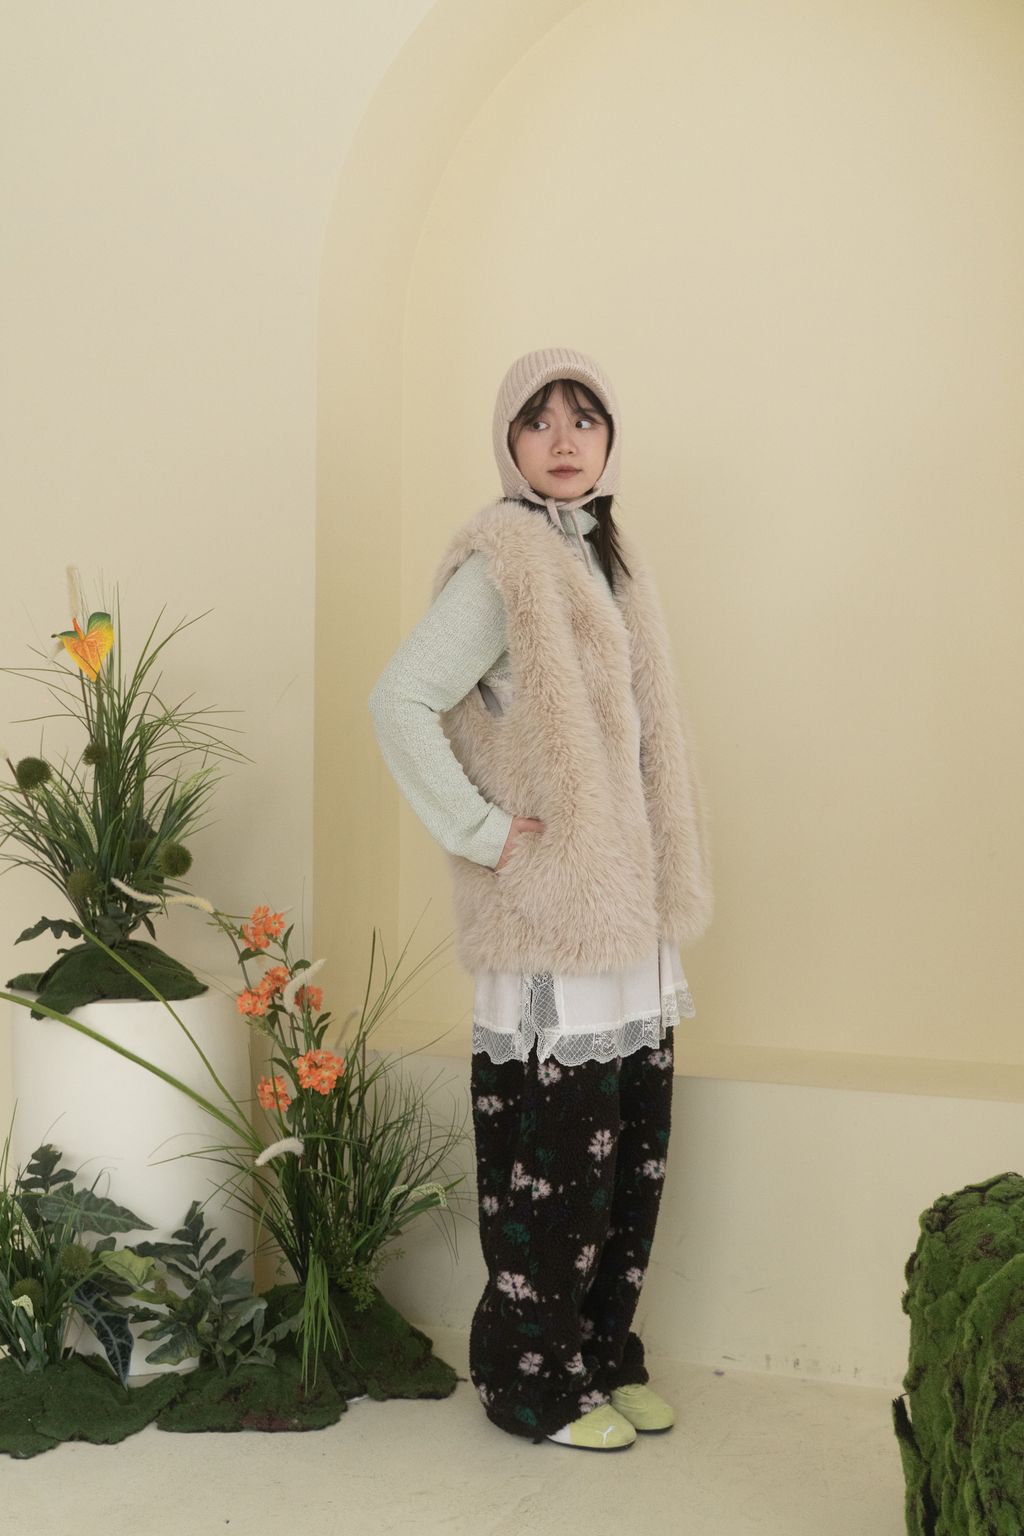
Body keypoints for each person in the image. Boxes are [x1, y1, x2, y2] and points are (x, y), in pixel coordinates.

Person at [369, 346, 713, 1450]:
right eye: (538, 419)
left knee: (631, 1152)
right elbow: (399, 701)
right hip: (553, 916)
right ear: (508, 441)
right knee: (557, 1164)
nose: (564, 439)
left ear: (609, 438)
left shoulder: (611, 556)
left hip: (629, 912)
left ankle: (600, 1356)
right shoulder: (504, 560)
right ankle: (531, 1381)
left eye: (584, 417)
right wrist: (481, 835)